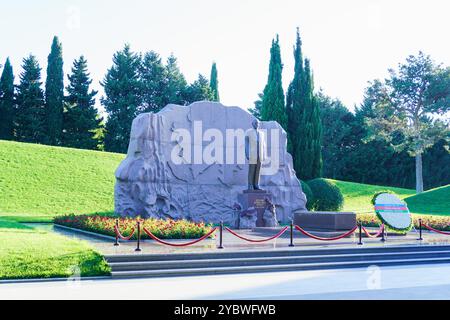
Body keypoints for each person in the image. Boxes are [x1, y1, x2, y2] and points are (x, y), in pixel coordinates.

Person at [245, 119, 266, 190]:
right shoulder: (248, 132)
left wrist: (264, 154)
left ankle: (256, 184)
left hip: (260, 154)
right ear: (252, 124)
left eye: (257, 123)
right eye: (255, 123)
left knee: (258, 170)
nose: (256, 124)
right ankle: (250, 185)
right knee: (252, 170)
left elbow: (263, 145)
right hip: (252, 154)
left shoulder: (262, 134)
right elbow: (246, 144)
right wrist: (247, 153)